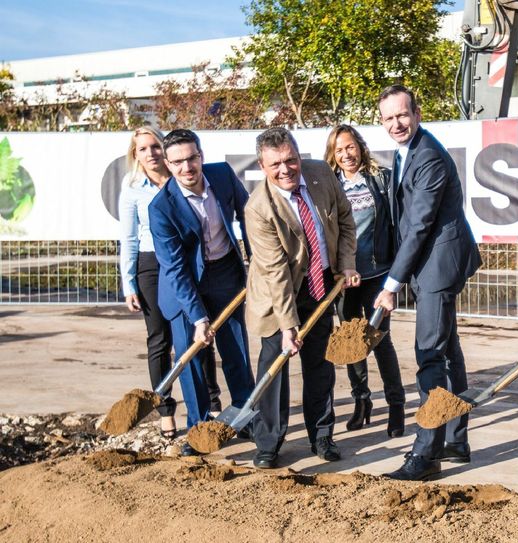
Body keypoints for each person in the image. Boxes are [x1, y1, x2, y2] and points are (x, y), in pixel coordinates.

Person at [374, 85, 481, 481]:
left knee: (429, 355)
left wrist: (392, 283)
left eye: (403, 115)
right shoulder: (406, 153)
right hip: (431, 263)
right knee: (448, 351)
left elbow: (419, 225)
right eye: (389, 118)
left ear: (417, 114)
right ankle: (455, 440)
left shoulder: (430, 157)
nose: (397, 123)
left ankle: (426, 452)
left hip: (438, 265)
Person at [244, 127, 358, 469]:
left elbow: (345, 218)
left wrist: (346, 263)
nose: (285, 169)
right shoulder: (258, 209)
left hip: (320, 285)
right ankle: (268, 442)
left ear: (298, 155)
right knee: (274, 368)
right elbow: (276, 271)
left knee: (320, 366)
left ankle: (322, 435)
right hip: (278, 294)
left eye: (291, 160)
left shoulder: (321, 173)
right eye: (276, 164)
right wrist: (288, 326)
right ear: (263, 167)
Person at [148, 129, 255, 456]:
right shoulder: (161, 208)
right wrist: (198, 317)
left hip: (225, 272)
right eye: (177, 161)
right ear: (167, 164)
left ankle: (244, 415)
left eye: (192, 158)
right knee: (191, 357)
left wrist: (257, 263)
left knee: (236, 349)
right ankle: (198, 429)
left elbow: (249, 217)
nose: (187, 167)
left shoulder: (221, 176)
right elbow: (176, 269)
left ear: (201, 155)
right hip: (184, 290)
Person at [117, 126, 222, 440]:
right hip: (152, 265)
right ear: (135, 155)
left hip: (188, 261)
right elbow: (129, 237)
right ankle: (165, 410)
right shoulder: (133, 187)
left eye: (154, 147)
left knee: (199, 332)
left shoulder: (183, 176)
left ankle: (211, 403)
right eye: (142, 149)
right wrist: (129, 282)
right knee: (159, 340)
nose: (150, 154)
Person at [324, 124, 406, 438]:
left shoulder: (381, 178)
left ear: (360, 146)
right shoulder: (330, 186)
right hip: (344, 278)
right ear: (332, 154)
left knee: (381, 341)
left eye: (350, 147)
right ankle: (362, 401)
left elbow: (396, 222)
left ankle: (396, 405)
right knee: (351, 343)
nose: (346, 154)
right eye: (339, 149)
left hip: (377, 275)